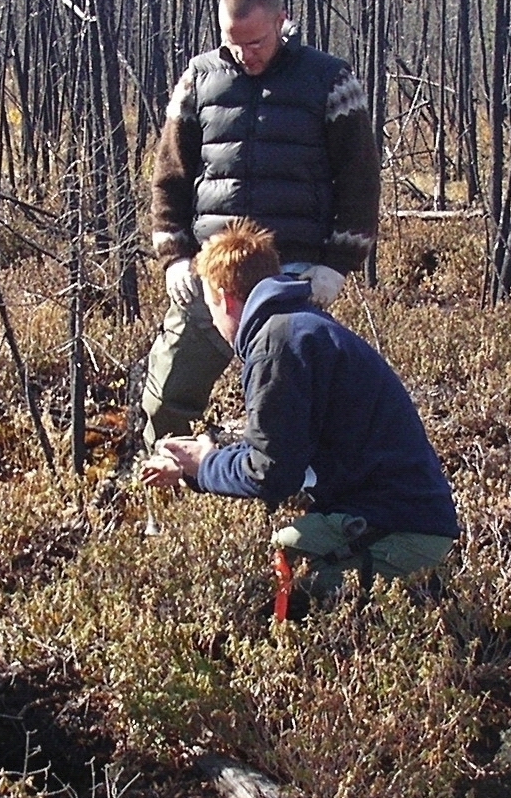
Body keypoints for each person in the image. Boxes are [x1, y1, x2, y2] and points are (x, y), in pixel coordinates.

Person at [140, 220, 458, 600]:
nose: (211, 319)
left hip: (402, 530)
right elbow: (279, 447)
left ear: (225, 297)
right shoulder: (296, 327)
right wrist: (196, 463)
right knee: (286, 557)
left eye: (210, 306)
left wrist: (204, 465)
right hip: (410, 519)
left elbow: (271, 474)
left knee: (270, 573)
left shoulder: (278, 344)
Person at [141, 0, 380, 452]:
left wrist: (336, 264)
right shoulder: (199, 79)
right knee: (168, 394)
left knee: (295, 400)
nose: (245, 54)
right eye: (234, 43)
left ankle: (301, 502)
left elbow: (359, 179)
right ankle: (161, 502)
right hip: (211, 273)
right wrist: (175, 255)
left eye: (256, 42)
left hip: (290, 274)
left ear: (281, 22)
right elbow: (171, 172)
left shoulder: (330, 80)